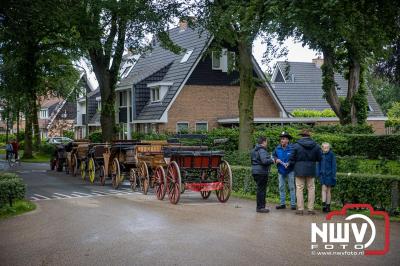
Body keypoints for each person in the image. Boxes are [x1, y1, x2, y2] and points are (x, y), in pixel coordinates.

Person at [288, 129, 322, 215]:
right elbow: (320, 158)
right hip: (311, 169)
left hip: (299, 169)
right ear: (309, 136)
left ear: (301, 136)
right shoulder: (316, 145)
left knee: (299, 188)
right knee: (311, 188)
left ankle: (300, 209)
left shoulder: (296, 145)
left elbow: (291, 158)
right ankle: (310, 209)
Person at [273, 131, 296, 210]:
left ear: (288, 140)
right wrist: (276, 160)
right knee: (281, 187)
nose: (282, 140)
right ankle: (282, 204)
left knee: (292, 187)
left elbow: (295, 159)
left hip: (290, 171)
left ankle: (293, 204)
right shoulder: (277, 148)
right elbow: (274, 156)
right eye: (281, 139)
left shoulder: (292, 148)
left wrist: (289, 163)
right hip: (280, 171)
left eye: (284, 139)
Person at [251, 136, 274, 213]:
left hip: (255, 171)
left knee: (259, 189)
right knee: (262, 190)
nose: (267, 143)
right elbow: (264, 161)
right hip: (261, 172)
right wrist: (272, 160)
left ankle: (259, 207)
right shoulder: (262, 150)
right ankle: (261, 207)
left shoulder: (254, 150)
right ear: (263, 142)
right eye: (266, 142)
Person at [317, 142, 337, 213]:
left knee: (328, 190)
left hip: (329, 175)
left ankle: (328, 205)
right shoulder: (320, 155)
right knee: (324, 189)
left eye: (327, 148)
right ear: (322, 148)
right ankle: (324, 204)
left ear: (329, 148)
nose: (326, 149)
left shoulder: (331, 155)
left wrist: (333, 175)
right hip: (322, 175)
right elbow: (318, 164)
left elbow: (334, 165)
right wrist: (318, 173)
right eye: (324, 148)